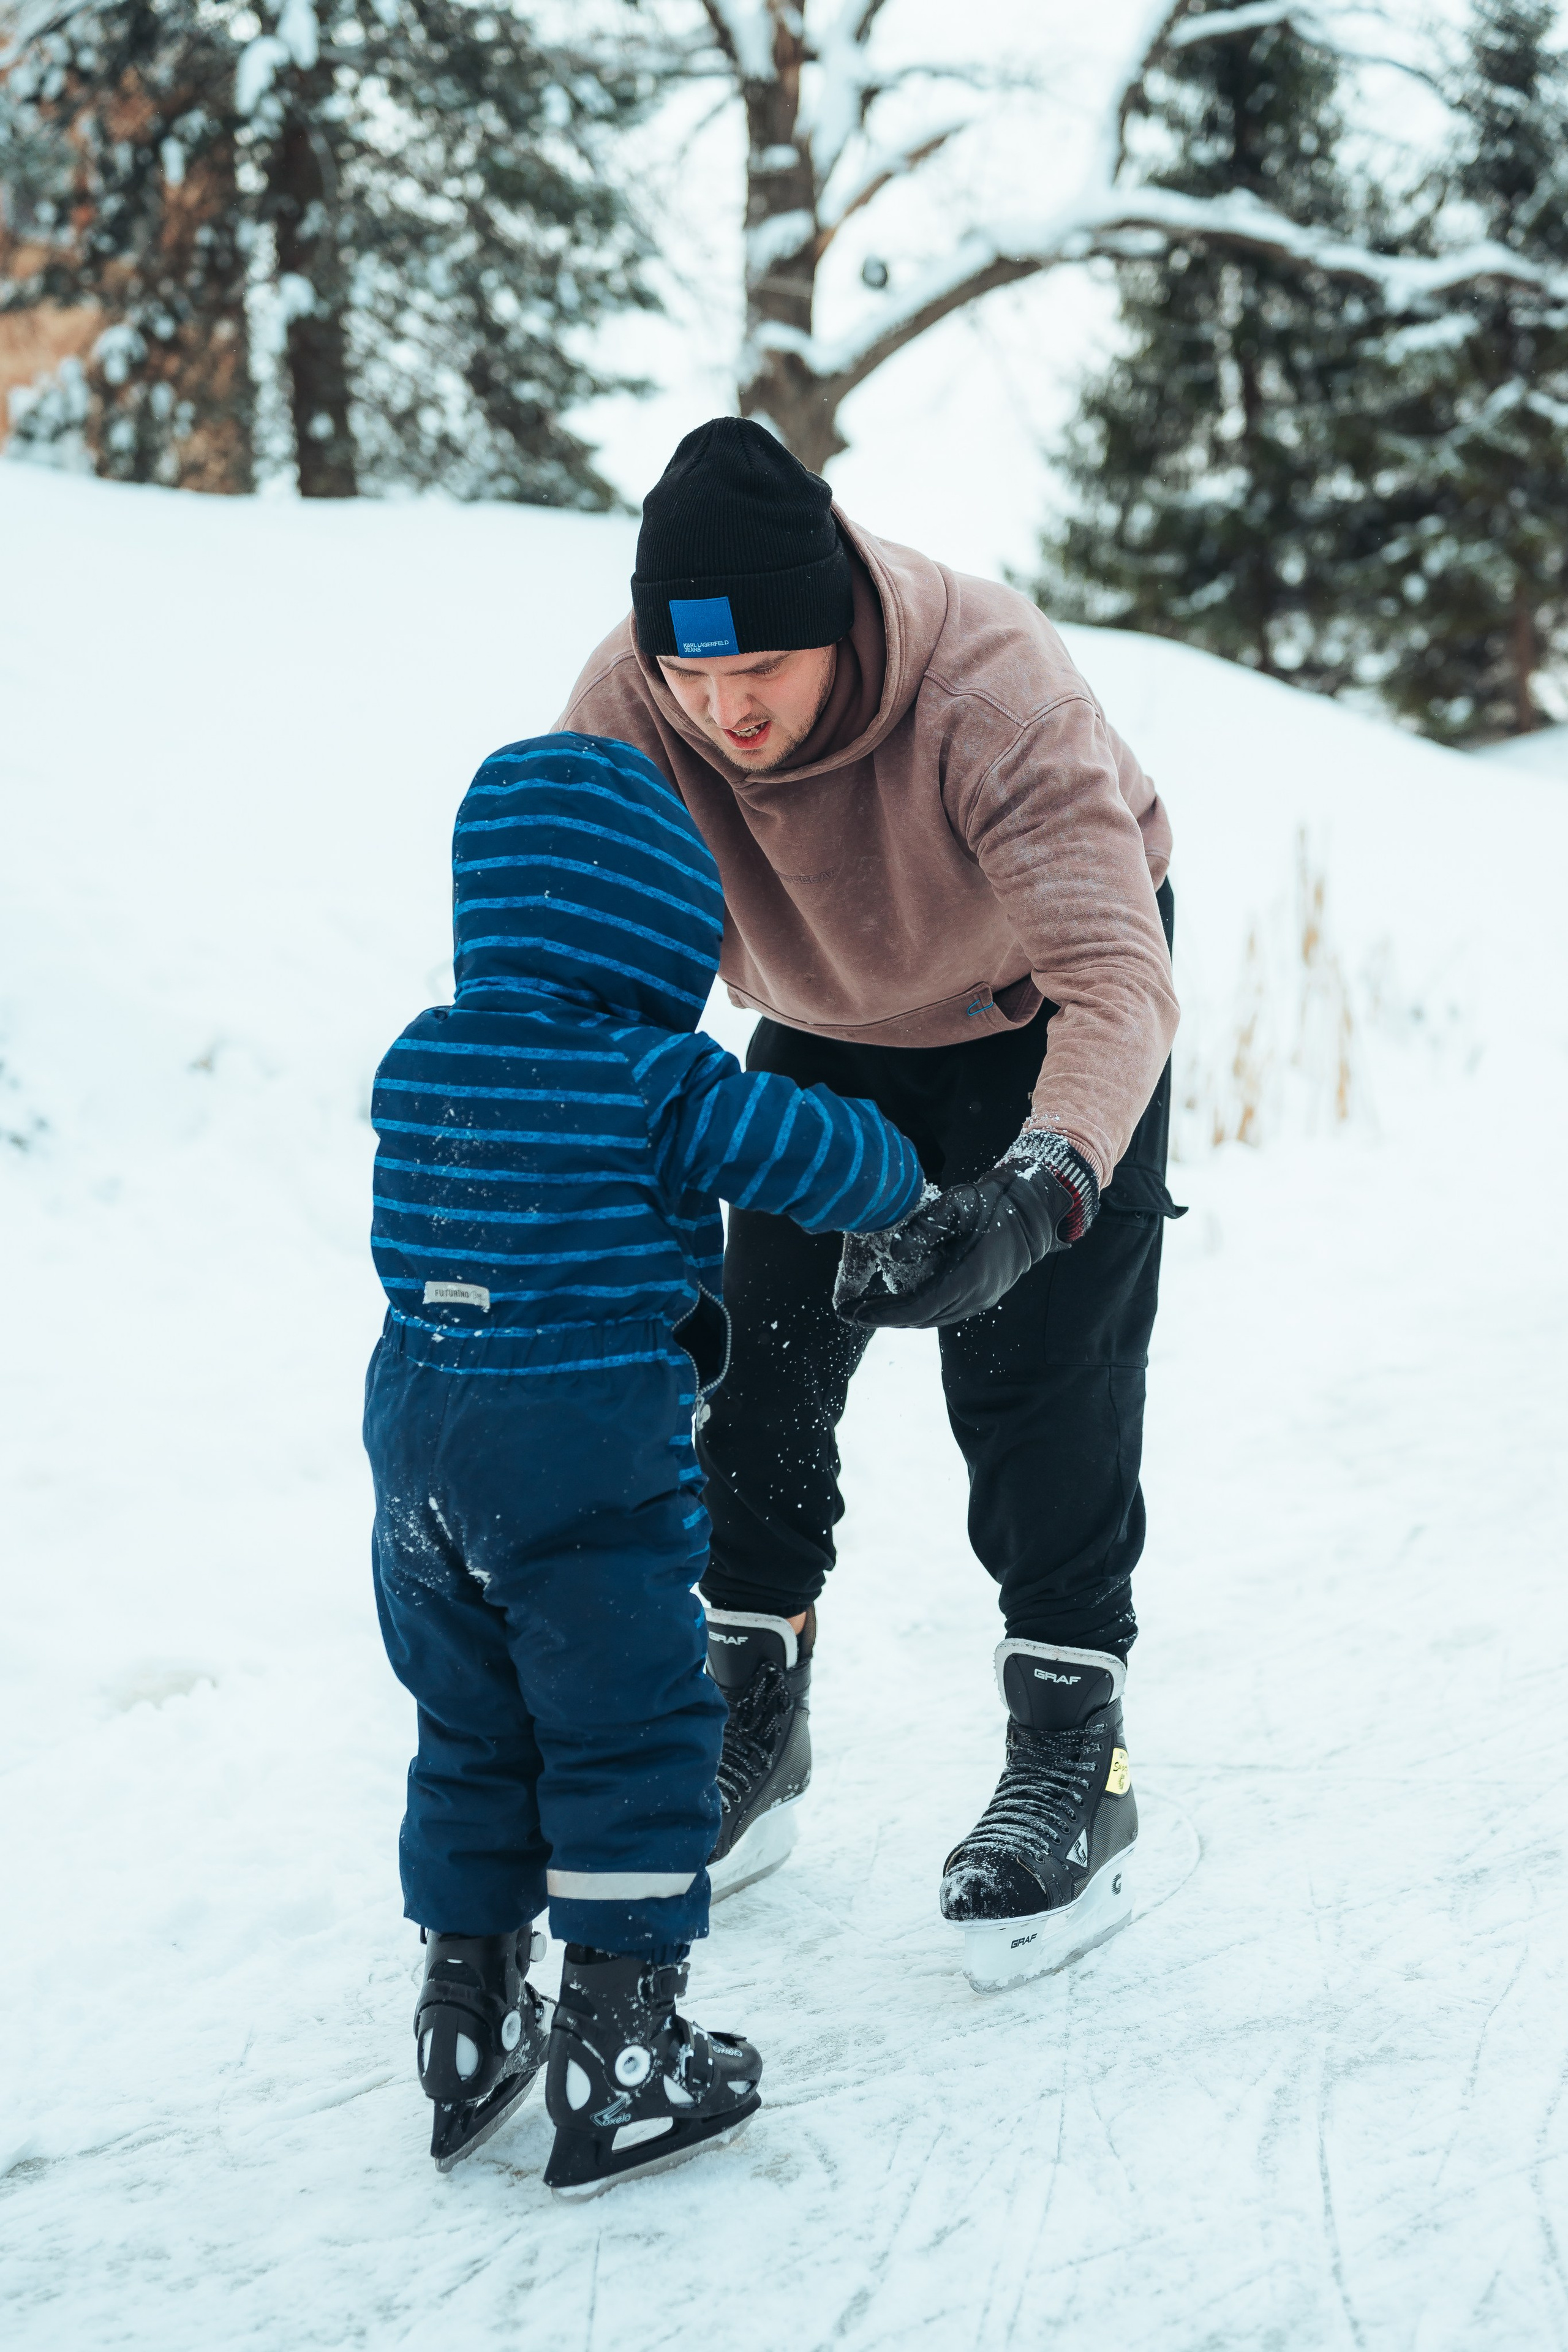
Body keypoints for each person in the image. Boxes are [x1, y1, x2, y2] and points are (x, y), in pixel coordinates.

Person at [557, 418, 1182, 1992]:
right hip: (825, 1020)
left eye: (756, 667)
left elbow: (1118, 982)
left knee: (1036, 1371)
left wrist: (1036, 1196)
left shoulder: (991, 690)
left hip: (1036, 997)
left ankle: (1072, 1757)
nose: (724, 710)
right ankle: (749, 1717)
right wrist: (607, 1208)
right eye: (691, 680)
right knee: (754, 1353)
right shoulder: (630, 703)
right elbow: (575, 978)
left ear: (835, 614)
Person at [363, 729, 924, 2192]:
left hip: (418, 1444)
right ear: (653, 927)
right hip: (581, 1446)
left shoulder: (420, 1059)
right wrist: (896, 1159)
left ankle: (466, 2013)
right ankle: (621, 2049)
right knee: (626, 1730)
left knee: (474, 1726)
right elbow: (810, 1156)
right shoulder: (656, 1076)